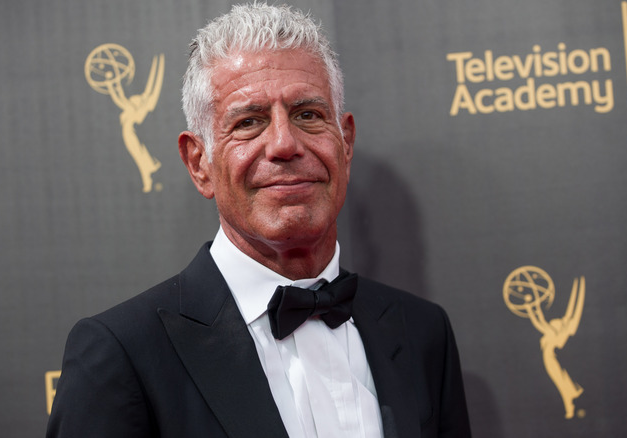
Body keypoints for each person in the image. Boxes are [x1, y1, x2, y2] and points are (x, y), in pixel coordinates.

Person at [47, 3, 471, 437]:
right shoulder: (122, 354)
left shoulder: (423, 332)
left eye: (308, 114)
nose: (284, 144)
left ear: (345, 143)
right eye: (249, 122)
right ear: (199, 163)